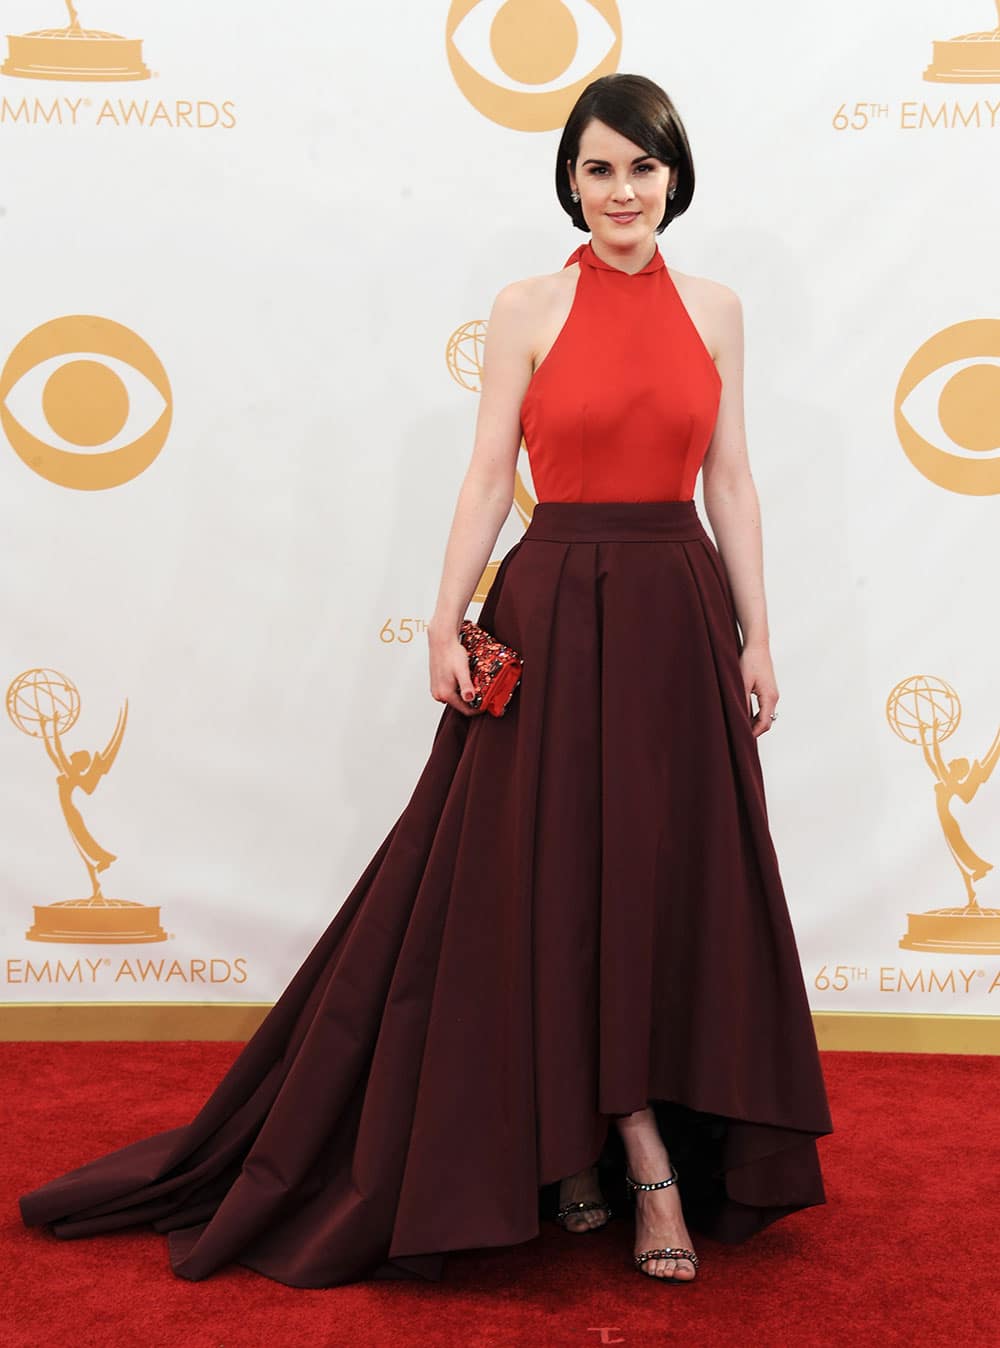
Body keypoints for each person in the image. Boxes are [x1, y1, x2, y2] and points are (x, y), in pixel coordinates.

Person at [19, 72, 833, 1288]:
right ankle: (620, 1148)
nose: (621, 191)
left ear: (675, 177)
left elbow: (733, 482)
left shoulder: (717, 308)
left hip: (674, 612)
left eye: (643, 167)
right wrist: (445, 618)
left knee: (664, 885)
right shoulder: (522, 306)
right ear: (569, 178)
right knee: (546, 886)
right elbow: (487, 479)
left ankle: (614, 1142)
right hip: (553, 613)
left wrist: (758, 634)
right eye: (599, 168)